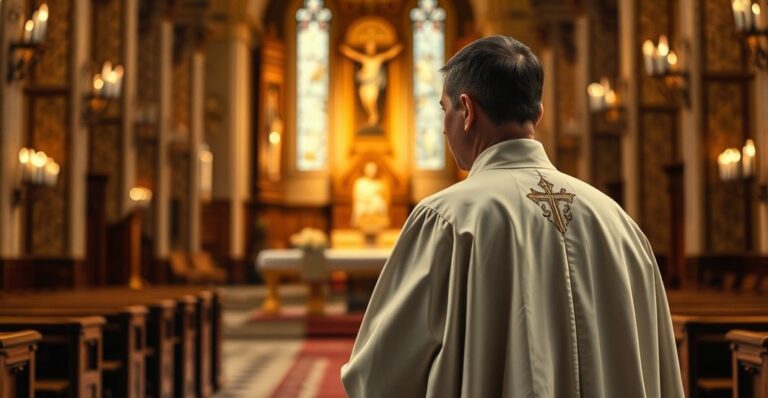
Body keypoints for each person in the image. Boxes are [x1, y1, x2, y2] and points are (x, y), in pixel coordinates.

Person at [341, 36, 684, 397]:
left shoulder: (447, 219)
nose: (444, 128)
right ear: (538, 113)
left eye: (444, 111)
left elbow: (377, 375)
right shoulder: (619, 223)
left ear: (467, 109)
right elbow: (659, 370)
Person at [340, 40, 403, 126]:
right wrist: (345, 50)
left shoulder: (378, 58)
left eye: (371, 47)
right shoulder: (364, 58)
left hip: (373, 83)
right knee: (364, 100)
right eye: (368, 48)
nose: (370, 49)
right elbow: (354, 55)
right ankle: (372, 116)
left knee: (371, 100)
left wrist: (397, 49)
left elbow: (389, 54)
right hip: (365, 83)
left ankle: (374, 117)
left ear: (374, 49)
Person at [351, 161, 390, 232]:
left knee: (378, 201)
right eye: (369, 170)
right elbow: (358, 196)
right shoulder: (359, 183)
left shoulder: (378, 183)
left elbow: (383, 196)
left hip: (374, 206)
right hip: (363, 205)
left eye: (373, 171)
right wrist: (369, 197)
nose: (371, 172)